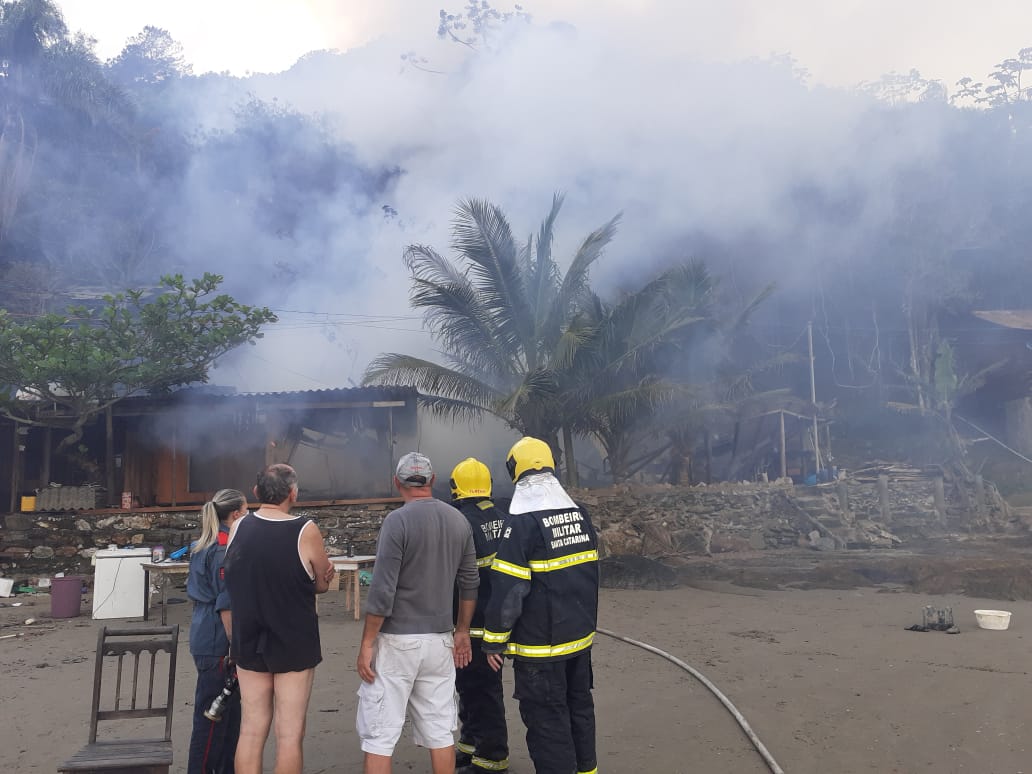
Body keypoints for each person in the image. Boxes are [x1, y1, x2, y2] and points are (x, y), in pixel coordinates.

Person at [482, 437, 600, 774]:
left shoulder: (522, 522)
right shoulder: (580, 514)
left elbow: (509, 588)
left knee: (547, 719)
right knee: (579, 707)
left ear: (515, 471)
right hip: (579, 639)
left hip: (540, 648)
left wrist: (494, 640)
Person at [356, 451, 479, 774]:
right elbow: (470, 582)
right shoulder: (458, 520)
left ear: (397, 483)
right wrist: (462, 630)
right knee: (440, 731)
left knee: (380, 736)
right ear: (432, 481)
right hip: (440, 641)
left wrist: (368, 643)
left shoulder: (397, 521)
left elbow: (382, 590)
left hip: (397, 642)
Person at [224, 464, 336, 774]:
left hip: (248, 636)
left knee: (251, 729)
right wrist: (324, 577)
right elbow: (322, 583)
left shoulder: (238, 527)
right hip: (293, 640)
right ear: (293, 494)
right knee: (289, 734)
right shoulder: (305, 529)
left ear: (257, 492)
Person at [448, 457, 510, 774]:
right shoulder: (503, 516)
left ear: (456, 488)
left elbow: (457, 578)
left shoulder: (461, 523)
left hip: (472, 624)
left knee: (482, 690)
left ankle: (492, 758)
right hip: (499, 620)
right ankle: (470, 744)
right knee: (471, 686)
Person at [187, 488, 249, 774]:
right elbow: (226, 604)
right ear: (236, 514)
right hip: (216, 639)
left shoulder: (202, 544)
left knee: (229, 718)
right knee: (211, 721)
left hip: (202, 630)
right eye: (246, 511)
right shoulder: (224, 549)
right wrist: (235, 647)